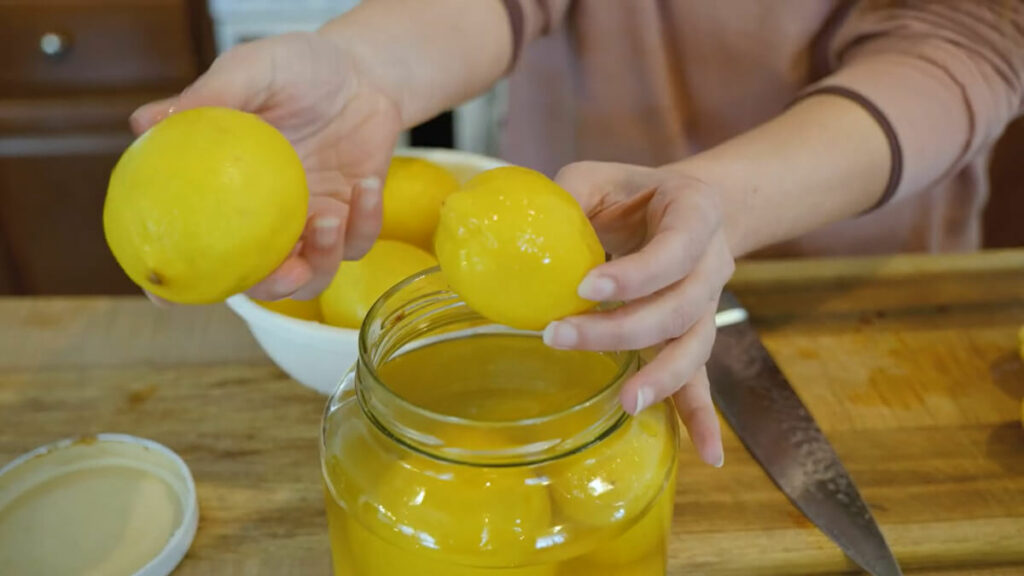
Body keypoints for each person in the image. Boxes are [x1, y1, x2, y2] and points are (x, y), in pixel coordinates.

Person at [130, 0, 1024, 468]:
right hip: (562, 264)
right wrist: (360, 69)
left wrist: (723, 200)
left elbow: (974, 34)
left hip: (850, 273)